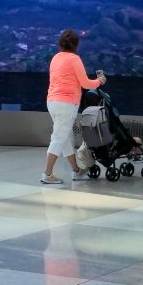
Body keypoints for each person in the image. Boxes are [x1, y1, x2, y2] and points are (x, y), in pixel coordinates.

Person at [41, 29, 104, 186]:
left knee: (66, 137)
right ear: (76, 44)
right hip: (66, 104)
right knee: (59, 137)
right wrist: (100, 81)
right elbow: (86, 84)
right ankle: (47, 173)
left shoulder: (55, 58)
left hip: (52, 102)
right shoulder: (74, 59)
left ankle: (76, 171)